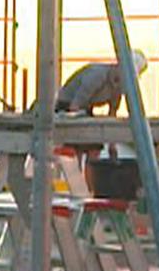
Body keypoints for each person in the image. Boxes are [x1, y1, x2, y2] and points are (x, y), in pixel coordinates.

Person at [57, 53, 147, 201]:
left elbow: (112, 114)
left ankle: (91, 191)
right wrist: (75, 133)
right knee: (77, 147)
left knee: (95, 149)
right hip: (67, 106)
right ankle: (76, 189)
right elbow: (75, 106)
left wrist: (112, 144)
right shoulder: (97, 76)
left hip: (84, 109)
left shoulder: (120, 87)